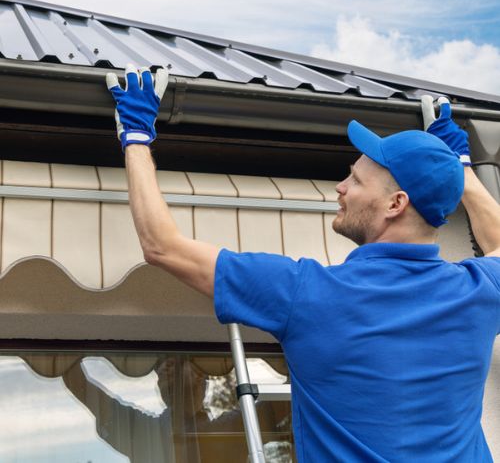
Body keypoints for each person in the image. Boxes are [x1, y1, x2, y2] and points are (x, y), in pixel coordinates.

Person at [106, 64, 500, 462]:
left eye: (356, 181)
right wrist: (460, 169)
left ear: (396, 204)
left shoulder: (309, 294)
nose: (341, 188)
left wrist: (136, 136)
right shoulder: (477, 292)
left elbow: (162, 247)